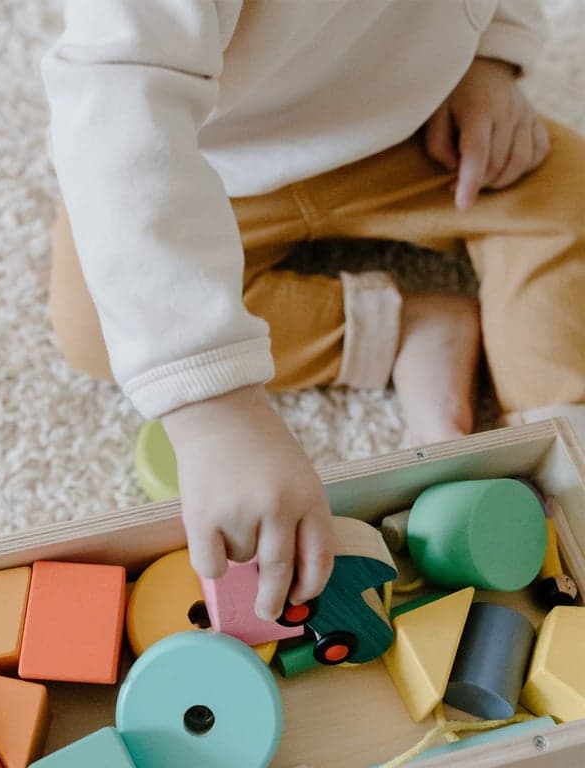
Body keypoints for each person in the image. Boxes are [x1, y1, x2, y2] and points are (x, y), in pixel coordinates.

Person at [40, 1, 585, 621]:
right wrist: (216, 413)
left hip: (413, 126)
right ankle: (400, 326)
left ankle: (565, 452)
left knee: (567, 194)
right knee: (99, 321)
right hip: (207, 168)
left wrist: (491, 57)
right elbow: (116, 106)